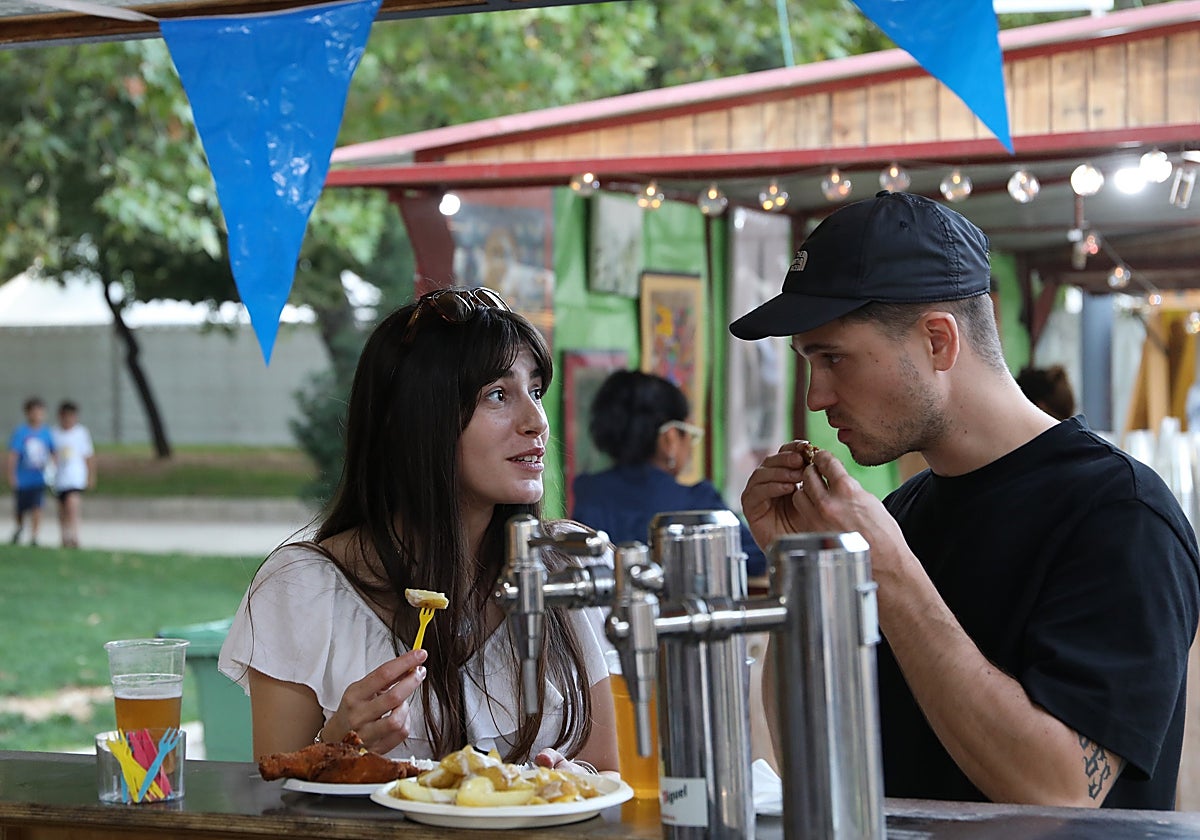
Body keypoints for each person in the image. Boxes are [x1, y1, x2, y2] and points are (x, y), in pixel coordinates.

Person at [730, 191, 1199, 810]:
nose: (816, 397)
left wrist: (893, 577)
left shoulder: (1121, 514)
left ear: (938, 341)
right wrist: (800, 576)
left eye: (834, 357)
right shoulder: (903, 514)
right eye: (807, 362)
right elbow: (809, 760)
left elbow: (1059, 792)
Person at [218, 287, 618, 773]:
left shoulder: (569, 568)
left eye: (535, 391)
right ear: (417, 420)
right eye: (498, 394)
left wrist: (572, 781)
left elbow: (611, 781)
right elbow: (271, 806)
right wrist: (335, 743)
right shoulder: (304, 588)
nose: (536, 422)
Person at [571, 370, 767, 577]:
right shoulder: (698, 502)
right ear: (670, 439)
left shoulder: (588, 494)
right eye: (690, 436)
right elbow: (758, 557)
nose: (691, 447)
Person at [7, 397, 55, 547]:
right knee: (20, 508)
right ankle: (20, 527)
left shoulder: (47, 433)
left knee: (37, 507)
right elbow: (13, 455)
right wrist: (11, 475)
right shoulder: (21, 432)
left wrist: (53, 469)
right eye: (33, 412)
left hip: (38, 478)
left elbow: (53, 452)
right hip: (23, 478)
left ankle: (34, 536)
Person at [50, 401, 96, 549]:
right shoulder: (54, 433)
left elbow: (88, 455)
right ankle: (64, 536)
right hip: (59, 477)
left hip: (75, 477)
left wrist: (91, 475)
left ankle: (75, 535)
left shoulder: (81, 433)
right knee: (62, 508)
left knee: (72, 504)